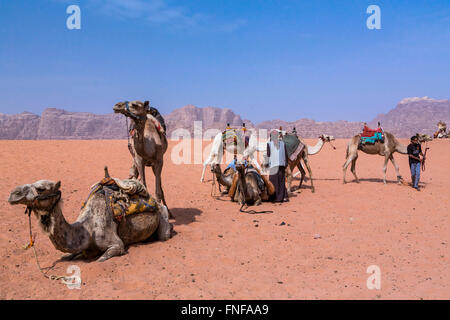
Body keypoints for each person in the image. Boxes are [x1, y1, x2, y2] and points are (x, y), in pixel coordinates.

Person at [266, 130, 289, 202]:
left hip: (273, 165)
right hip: (282, 164)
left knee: (273, 181)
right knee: (281, 180)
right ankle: (283, 197)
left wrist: (266, 164)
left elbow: (268, 155)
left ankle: (275, 198)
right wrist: (286, 164)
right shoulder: (283, 143)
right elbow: (285, 154)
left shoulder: (269, 144)